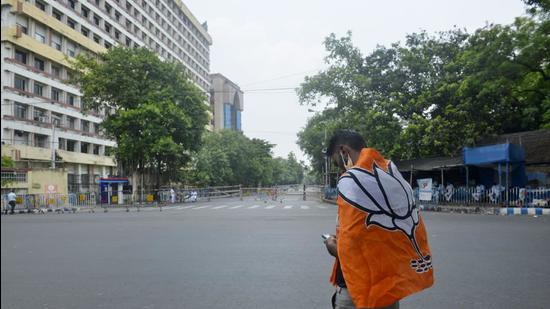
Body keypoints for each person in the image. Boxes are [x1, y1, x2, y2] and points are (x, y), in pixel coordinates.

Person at [323, 130, 434, 309]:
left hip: (359, 290)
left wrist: (333, 247)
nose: (340, 169)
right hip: (389, 288)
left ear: (344, 151)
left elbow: (352, 245)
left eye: (337, 162)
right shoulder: (390, 172)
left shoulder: (352, 181)